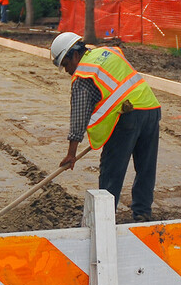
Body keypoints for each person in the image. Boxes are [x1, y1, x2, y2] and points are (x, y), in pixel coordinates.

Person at [51, 31, 162, 222]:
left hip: (127, 118)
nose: (68, 70)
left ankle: (103, 219)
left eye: (66, 64)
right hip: (150, 107)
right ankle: (143, 213)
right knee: (146, 167)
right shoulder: (107, 52)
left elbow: (78, 117)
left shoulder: (84, 75)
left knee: (112, 170)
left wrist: (71, 153)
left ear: (75, 55)